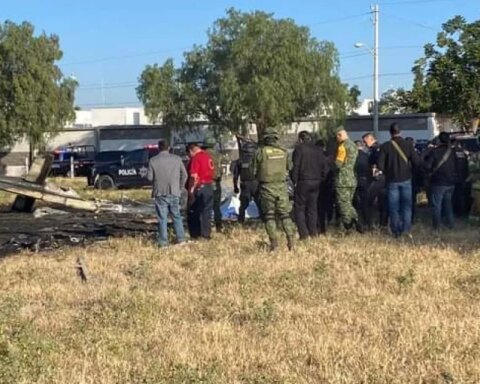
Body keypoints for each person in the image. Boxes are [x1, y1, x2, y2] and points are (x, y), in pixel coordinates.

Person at [251, 127, 296, 251]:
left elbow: (253, 171)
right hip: (282, 187)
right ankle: (291, 242)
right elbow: (290, 167)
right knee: (285, 215)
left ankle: (274, 245)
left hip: (266, 187)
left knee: (269, 216)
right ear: (276, 137)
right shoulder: (284, 151)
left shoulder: (260, 152)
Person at [378, 123, 422, 238]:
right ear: (400, 131)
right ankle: (406, 230)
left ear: (390, 132)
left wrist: (388, 170)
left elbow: (380, 165)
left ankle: (396, 231)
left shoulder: (385, 146)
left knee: (393, 207)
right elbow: (417, 162)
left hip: (391, 180)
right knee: (407, 206)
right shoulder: (408, 145)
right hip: (406, 179)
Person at [147, 140, 188, 247]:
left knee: (162, 218)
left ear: (158, 148)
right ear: (169, 148)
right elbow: (185, 175)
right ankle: (181, 239)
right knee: (177, 216)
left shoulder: (153, 160)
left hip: (160, 192)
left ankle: (163, 242)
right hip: (174, 191)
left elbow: (149, 177)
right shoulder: (177, 159)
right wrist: (180, 188)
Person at [291, 131, 328, 239]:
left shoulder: (299, 149)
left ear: (300, 139)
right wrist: (321, 179)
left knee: (300, 208)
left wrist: (294, 181)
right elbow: (325, 167)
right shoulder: (318, 150)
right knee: (313, 208)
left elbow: (296, 166)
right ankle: (313, 232)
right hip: (316, 182)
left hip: (303, 181)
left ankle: (303, 234)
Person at [424, 132, 457, 230]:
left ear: (439, 140)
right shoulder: (453, 152)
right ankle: (450, 224)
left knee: (436, 205)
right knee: (448, 204)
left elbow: (427, 166)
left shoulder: (435, 152)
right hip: (451, 182)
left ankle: (436, 226)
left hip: (438, 182)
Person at [334, 127, 360, 232]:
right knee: (348, 203)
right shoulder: (354, 146)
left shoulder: (342, 147)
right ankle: (357, 223)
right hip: (352, 178)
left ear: (339, 135)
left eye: (337, 137)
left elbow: (338, 164)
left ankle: (350, 226)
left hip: (342, 180)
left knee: (343, 205)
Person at [186, 142, 214, 240]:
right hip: (209, 185)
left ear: (191, 151)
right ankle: (206, 234)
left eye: (189, 154)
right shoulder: (207, 156)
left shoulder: (196, 158)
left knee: (195, 211)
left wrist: (191, 191)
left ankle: (196, 234)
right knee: (207, 212)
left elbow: (194, 176)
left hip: (200, 187)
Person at [362, 132, 387, 230]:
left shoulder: (375, 149)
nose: (364, 144)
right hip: (382, 178)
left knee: (368, 200)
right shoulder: (378, 148)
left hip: (377, 178)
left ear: (371, 139)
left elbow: (376, 163)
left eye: (365, 141)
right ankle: (382, 223)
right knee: (382, 202)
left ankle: (369, 223)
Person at [233, 141, 261, 223]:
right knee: (260, 203)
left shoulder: (240, 161)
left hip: (245, 185)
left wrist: (235, 187)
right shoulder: (258, 159)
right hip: (256, 184)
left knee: (243, 205)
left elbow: (235, 176)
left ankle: (240, 221)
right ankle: (264, 221)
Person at [203, 137, 223, 232]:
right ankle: (219, 226)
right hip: (216, 183)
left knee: (206, 206)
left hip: (206, 183)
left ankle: (206, 228)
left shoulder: (203, 154)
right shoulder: (218, 155)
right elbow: (221, 170)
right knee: (216, 206)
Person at [353, 140, 370, 229]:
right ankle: (366, 221)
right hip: (364, 180)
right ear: (362, 146)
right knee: (365, 202)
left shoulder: (352, 156)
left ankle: (356, 221)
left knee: (354, 202)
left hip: (354, 180)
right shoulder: (366, 156)